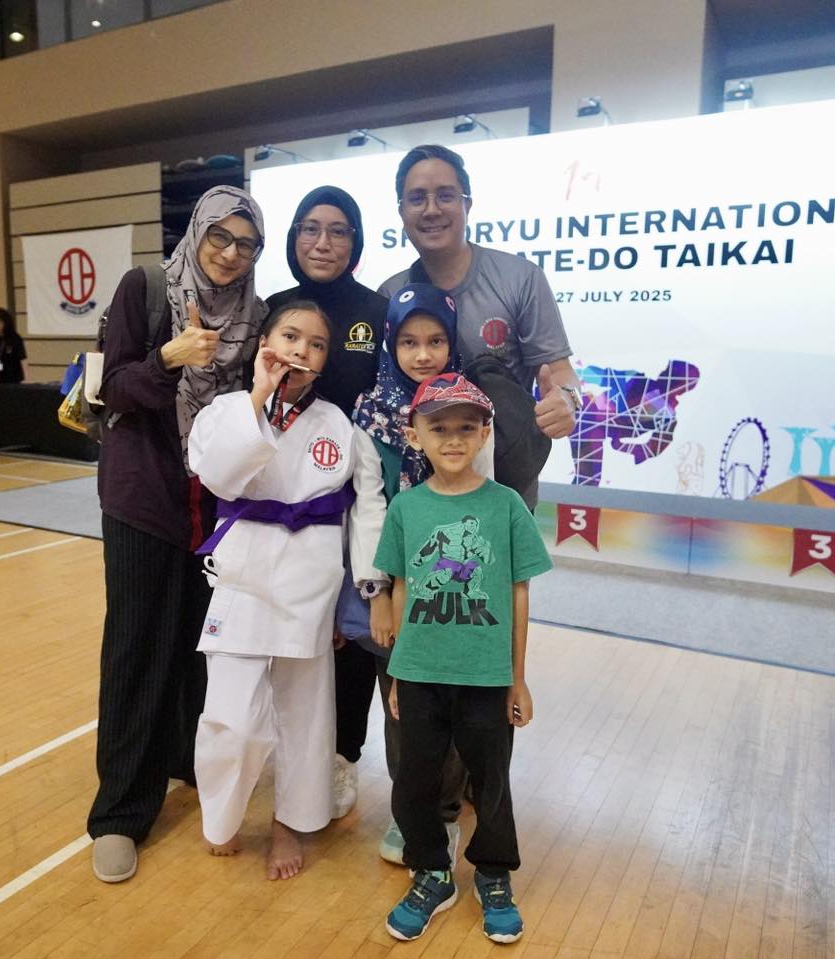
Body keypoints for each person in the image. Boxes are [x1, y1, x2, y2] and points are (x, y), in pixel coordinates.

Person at [88, 185, 267, 884]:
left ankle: (183, 762)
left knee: (200, 645)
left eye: (244, 242)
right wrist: (172, 356)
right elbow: (110, 388)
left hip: (218, 503)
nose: (228, 252)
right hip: (144, 494)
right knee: (136, 645)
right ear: (197, 232)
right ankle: (119, 812)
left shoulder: (256, 316)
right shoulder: (145, 289)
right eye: (218, 236)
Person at [373, 372, 552, 944]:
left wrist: (517, 679)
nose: (452, 439)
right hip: (420, 676)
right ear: (416, 434)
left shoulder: (504, 508)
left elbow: (519, 593)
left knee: (490, 781)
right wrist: (398, 673)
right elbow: (400, 587)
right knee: (413, 783)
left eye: (465, 428)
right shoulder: (405, 507)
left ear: (484, 434)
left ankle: (494, 873)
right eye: (438, 427)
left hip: (485, 675)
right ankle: (432, 871)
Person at [189, 302, 350, 880]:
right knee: (229, 715)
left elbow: (351, 514)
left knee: (304, 716)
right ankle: (223, 815)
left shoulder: (335, 422)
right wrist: (257, 398)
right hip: (242, 576)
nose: (300, 350)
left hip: (311, 577)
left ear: (326, 361)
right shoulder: (226, 411)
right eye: (289, 336)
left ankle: (289, 825)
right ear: (264, 342)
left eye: (316, 344)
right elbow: (217, 477)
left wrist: (350, 600)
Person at [348, 283, 492, 866]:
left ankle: (446, 813)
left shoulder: (474, 407)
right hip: (391, 585)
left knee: (455, 699)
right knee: (403, 706)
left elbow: (483, 497)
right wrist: (379, 592)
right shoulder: (371, 411)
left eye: (436, 340)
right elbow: (369, 504)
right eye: (409, 340)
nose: (423, 353)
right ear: (391, 341)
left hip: (455, 583)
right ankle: (410, 816)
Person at [266, 186, 388, 820]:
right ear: (292, 238)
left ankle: (342, 759)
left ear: (356, 242)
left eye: (338, 231)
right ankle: (289, 751)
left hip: (352, 500)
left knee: (349, 631)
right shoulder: (274, 309)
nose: (322, 242)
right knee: (290, 625)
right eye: (310, 228)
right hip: (281, 500)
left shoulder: (377, 310)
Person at [377, 144, 583, 502]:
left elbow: (561, 373)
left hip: (504, 489)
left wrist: (567, 400)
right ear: (401, 211)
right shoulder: (391, 294)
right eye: (417, 198)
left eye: (445, 195)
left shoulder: (521, 279)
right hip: (419, 493)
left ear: (466, 204)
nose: (431, 209)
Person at [0, 307, 29, 384]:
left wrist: (27, 378)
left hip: (13, 378)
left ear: (5, 322)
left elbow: (23, 359)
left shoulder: (15, 338)